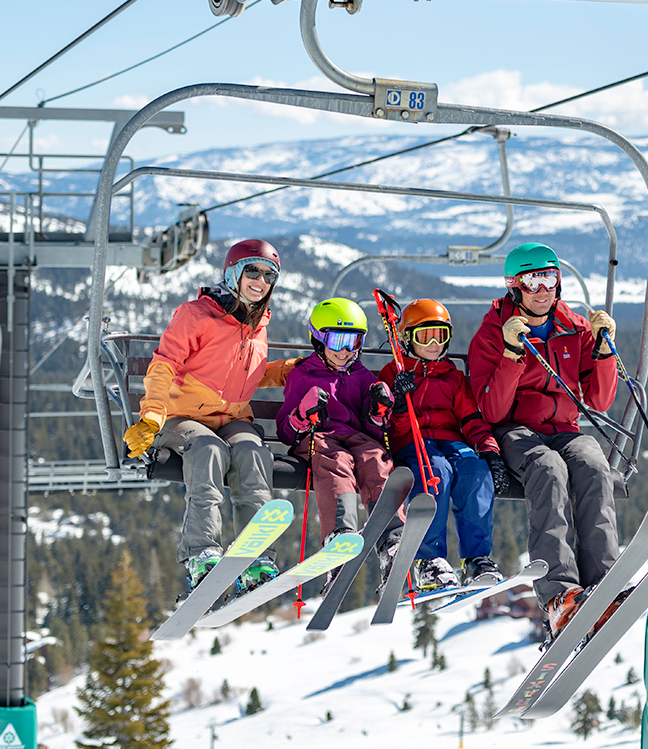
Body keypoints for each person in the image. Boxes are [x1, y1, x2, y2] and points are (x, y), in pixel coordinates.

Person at [122, 239, 296, 596]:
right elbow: (163, 366)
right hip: (182, 417)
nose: (260, 281)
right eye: (252, 270)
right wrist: (153, 417)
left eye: (268, 275)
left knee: (253, 455)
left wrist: (288, 371)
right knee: (209, 451)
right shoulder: (196, 315)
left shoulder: (257, 324)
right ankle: (201, 551)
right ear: (233, 272)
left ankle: (256, 557)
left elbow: (243, 372)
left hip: (231, 418)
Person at [467, 242, 620, 637]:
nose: (542, 289)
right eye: (533, 280)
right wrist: (512, 355)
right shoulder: (492, 334)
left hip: (567, 429)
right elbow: (492, 411)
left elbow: (600, 400)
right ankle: (558, 593)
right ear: (514, 287)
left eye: (549, 278)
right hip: (516, 429)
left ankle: (603, 582)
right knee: (548, 469)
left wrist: (603, 351)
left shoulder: (576, 329)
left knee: (593, 465)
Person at [376, 298, 507, 591]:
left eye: (441, 335)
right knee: (434, 470)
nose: (434, 343)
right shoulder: (393, 374)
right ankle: (429, 559)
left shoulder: (454, 378)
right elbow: (384, 428)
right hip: (411, 441)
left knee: (475, 470)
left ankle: (477, 558)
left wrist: (489, 450)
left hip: (450, 441)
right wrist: (397, 404)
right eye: (425, 335)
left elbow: (472, 419)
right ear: (407, 338)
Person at [277, 298, 402, 593]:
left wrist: (377, 413)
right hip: (319, 439)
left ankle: (391, 538)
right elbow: (285, 431)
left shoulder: (361, 377)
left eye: (354, 341)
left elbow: (370, 431)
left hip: (356, 440)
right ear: (319, 339)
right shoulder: (302, 375)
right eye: (338, 340)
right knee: (336, 460)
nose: (346, 350)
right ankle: (340, 534)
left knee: (375, 457)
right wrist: (302, 415)